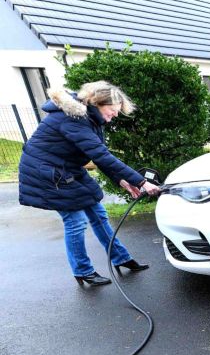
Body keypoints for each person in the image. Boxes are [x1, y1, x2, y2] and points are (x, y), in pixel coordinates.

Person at [18, 81, 162, 287]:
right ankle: (83, 270)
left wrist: (121, 180)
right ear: (98, 103)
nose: (116, 115)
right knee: (75, 221)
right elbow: (101, 155)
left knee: (98, 214)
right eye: (113, 110)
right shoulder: (73, 119)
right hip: (47, 175)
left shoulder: (89, 118)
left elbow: (96, 154)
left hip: (67, 169)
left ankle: (121, 258)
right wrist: (141, 181)